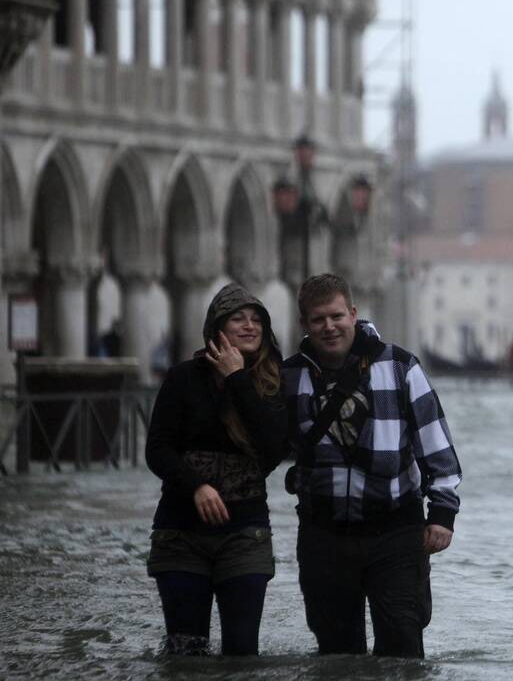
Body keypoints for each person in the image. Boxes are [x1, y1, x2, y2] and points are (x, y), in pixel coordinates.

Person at [284, 273, 462, 657]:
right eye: (318, 320)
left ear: (352, 313)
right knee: (336, 653)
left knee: (402, 641)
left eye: (336, 316)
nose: (329, 327)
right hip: (323, 532)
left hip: (396, 529)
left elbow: (435, 444)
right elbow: (269, 444)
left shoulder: (399, 365)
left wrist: (443, 513)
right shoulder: (290, 375)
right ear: (305, 325)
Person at [145, 284, 286, 655]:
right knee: (185, 651)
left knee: (242, 653)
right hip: (180, 532)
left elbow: (275, 447)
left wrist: (238, 379)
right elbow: (157, 450)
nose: (249, 325)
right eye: (237, 318)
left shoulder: (273, 382)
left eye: (257, 319)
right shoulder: (182, 378)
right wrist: (197, 486)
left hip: (245, 533)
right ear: (216, 328)